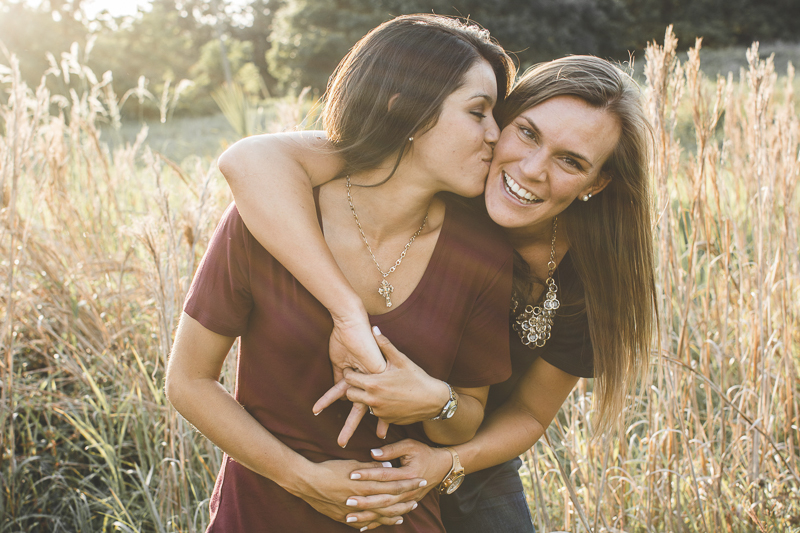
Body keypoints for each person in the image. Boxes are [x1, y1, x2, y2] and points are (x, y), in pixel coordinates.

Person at [220, 54, 657, 532]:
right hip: (365, 458)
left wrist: (446, 460)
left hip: (475, 462)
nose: (533, 169)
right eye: (528, 133)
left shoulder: (591, 279)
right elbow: (251, 160)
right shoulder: (437, 172)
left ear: (597, 182)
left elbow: (531, 413)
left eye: (571, 161)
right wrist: (346, 311)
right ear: (497, 123)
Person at [165, 14, 520, 532]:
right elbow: (189, 382)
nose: (495, 135)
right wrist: (303, 479)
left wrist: (432, 400)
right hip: (261, 515)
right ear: (406, 109)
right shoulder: (267, 218)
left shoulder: (481, 255)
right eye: (477, 112)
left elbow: (463, 423)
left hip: (398, 520)